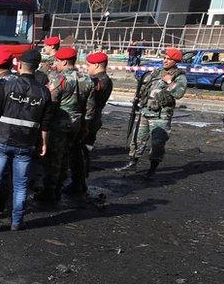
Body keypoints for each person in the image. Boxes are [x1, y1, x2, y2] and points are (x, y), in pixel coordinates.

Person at [0, 49, 52, 233]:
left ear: (20, 65)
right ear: (37, 67)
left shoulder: (7, 86)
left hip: (1, 139)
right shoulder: (44, 93)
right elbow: (45, 123)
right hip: (26, 144)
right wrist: (44, 143)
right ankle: (17, 222)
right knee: (21, 185)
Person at [118, 48, 187, 178]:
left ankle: (152, 170)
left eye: (169, 59)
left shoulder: (179, 76)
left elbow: (178, 93)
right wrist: (139, 96)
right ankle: (132, 163)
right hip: (146, 111)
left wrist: (169, 81)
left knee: (157, 143)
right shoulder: (156, 72)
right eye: (164, 58)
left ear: (175, 61)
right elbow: (145, 86)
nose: (165, 60)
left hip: (161, 115)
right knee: (137, 139)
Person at [38, 46, 92, 203]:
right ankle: (59, 186)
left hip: (59, 123)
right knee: (66, 156)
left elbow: (51, 101)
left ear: (64, 61)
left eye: (57, 61)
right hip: (76, 123)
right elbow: (89, 106)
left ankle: (49, 191)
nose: (56, 64)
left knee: (54, 158)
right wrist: (84, 125)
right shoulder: (87, 79)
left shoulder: (58, 79)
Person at [71, 51, 113, 194]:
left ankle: (79, 183)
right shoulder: (101, 79)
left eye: (88, 65)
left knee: (80, 152)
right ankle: (80, 182)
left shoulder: (99, 81)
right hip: (92, 120)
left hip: (89, 121)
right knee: (82, 151)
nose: (86, 67)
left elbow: (89, 101)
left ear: (96, 65)